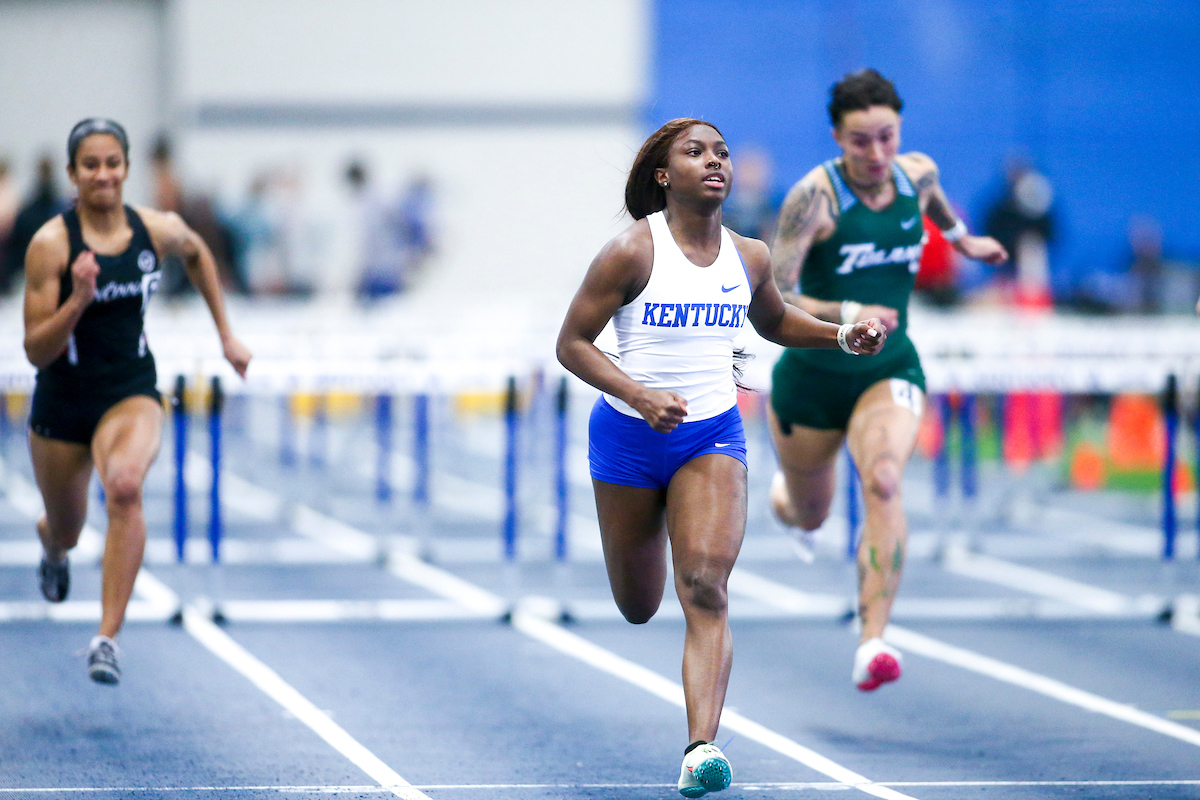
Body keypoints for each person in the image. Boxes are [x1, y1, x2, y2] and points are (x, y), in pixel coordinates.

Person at [556, 118, 885, 797]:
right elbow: (572, 343)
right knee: (640, 603)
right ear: (662, 174)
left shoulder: (750, 256)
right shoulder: (629, 253)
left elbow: (774, 321)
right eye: (696, 152)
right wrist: (639, 395)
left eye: (723, 153)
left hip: (710, 436)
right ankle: (688, 711)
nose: (715, 162)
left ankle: (700, 748)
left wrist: (838, 336)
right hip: (626, 437)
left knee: (705, 587)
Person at [767, 70, 1006, 692]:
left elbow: (939, 211)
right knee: (809, 512)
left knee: (883, 479)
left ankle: (872, 641)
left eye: (887, 137)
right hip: (813, 377)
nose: (876, 155)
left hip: (887, 367)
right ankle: (785, 502)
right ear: (836, 139)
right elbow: (772, 296)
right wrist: (849, 315)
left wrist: (966, 241)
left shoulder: (917, 173)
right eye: (859, 143)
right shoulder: (811, 200)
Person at [22, 119, 251, 684]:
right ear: (73, 175)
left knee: (125, 487)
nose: (104, 174)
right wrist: (78, 300)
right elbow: (35, 351)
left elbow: (197, 253)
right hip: (63, 401)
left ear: (126, 168)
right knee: (69, 528)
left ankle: (107, 637)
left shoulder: (156, 229)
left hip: (130, 391)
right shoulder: (51, 244)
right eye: (91, 165)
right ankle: (52, 547)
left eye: (113, 163)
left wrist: (226, 334)